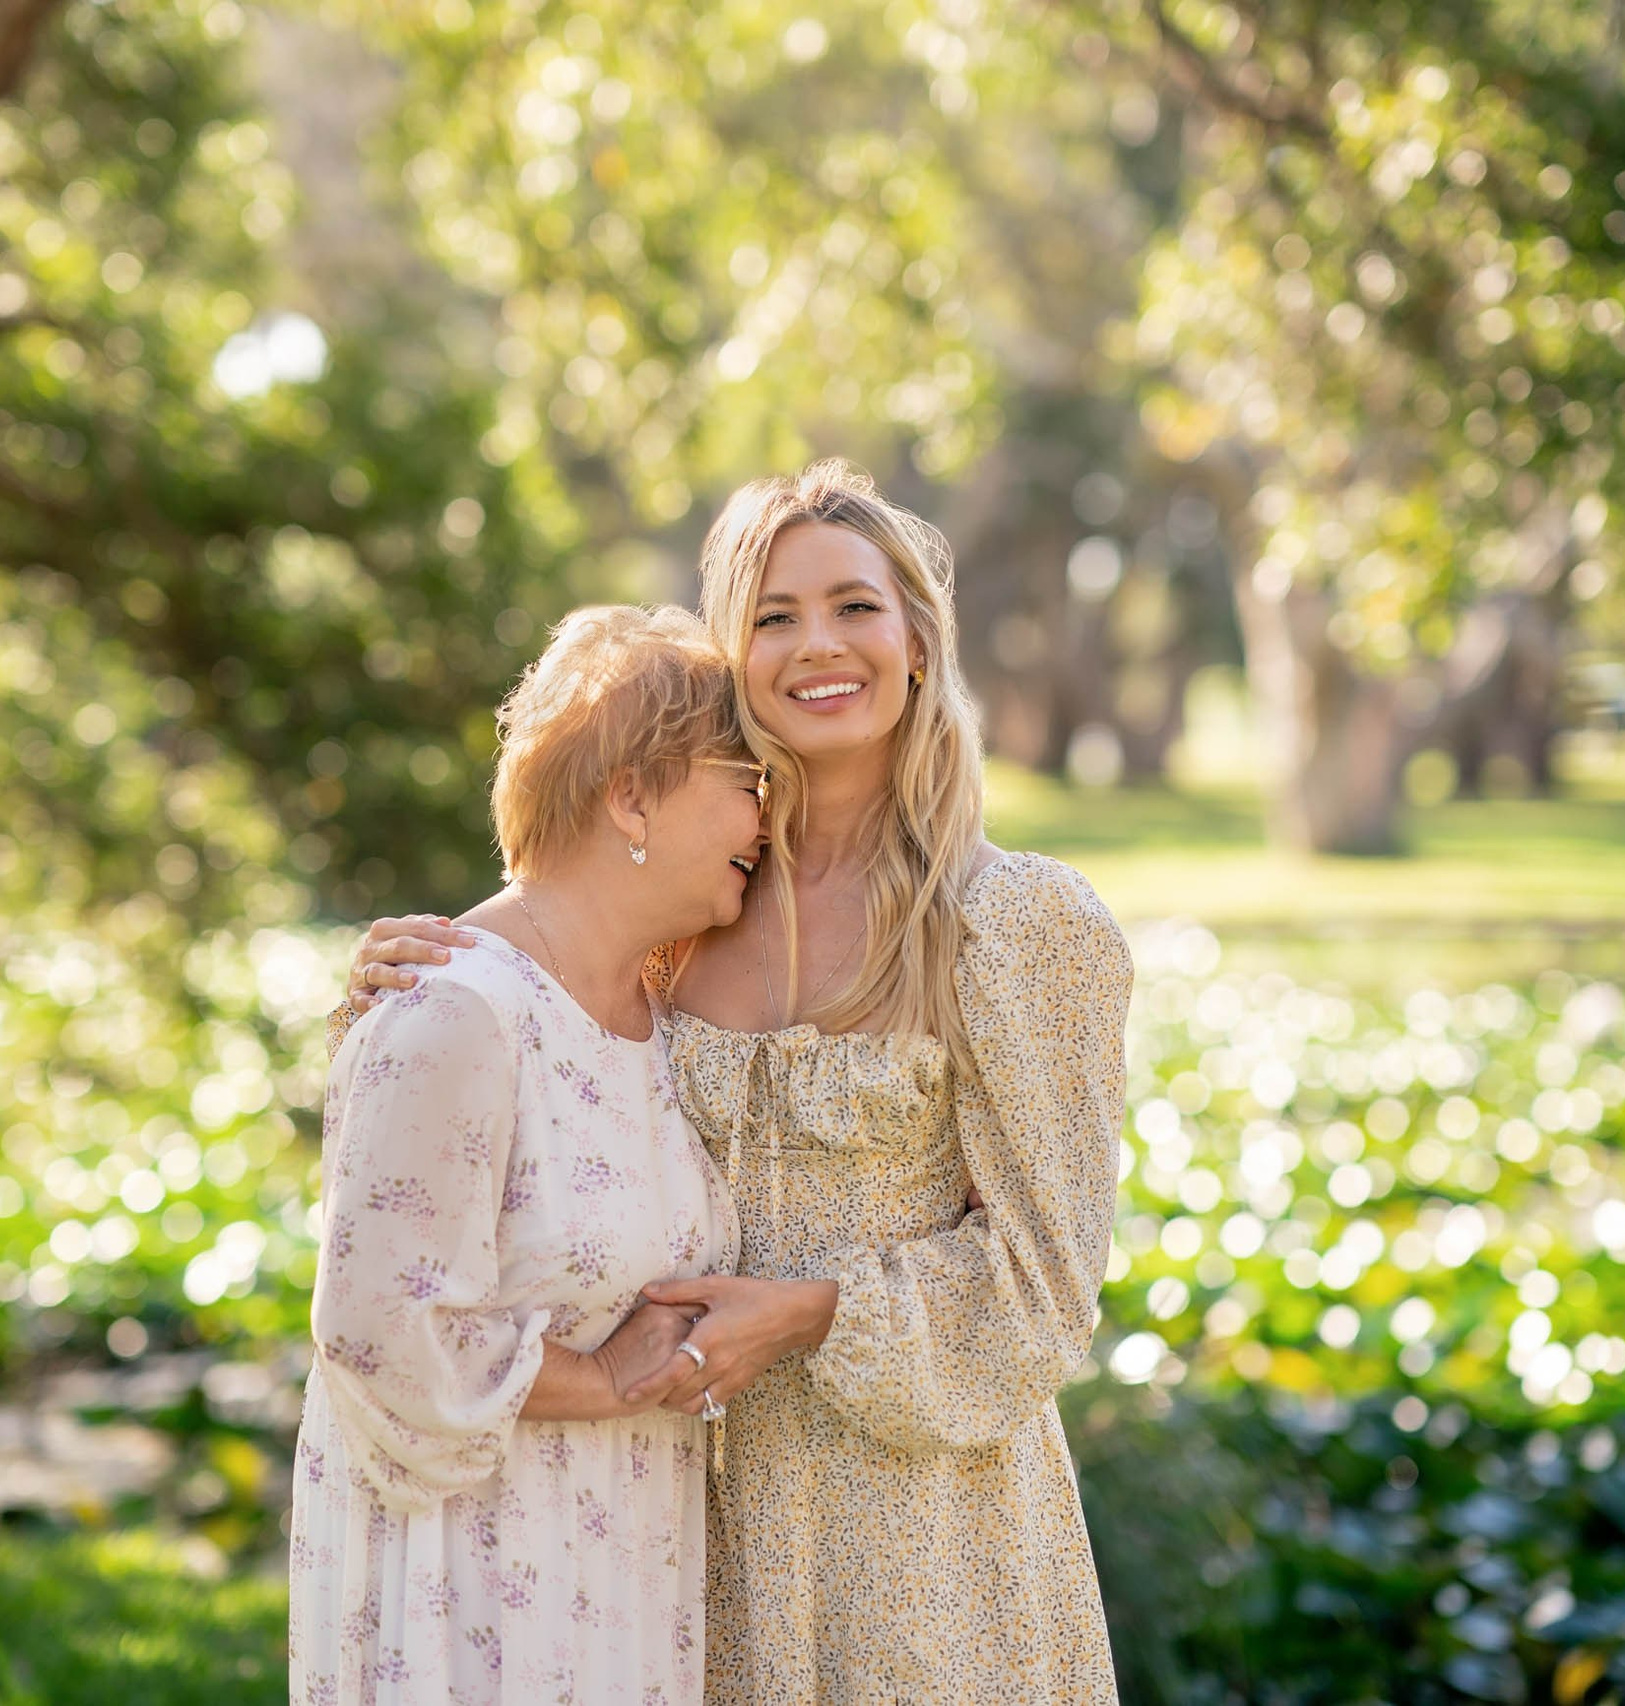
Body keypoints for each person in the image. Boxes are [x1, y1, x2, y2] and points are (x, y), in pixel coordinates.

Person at [340, 463, 1131, 1705]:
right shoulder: (686, 909)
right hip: (667, 1513)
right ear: (734, 652)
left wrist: (811, 1309)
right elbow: (519, 1044)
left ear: (917, 639)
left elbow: (1047, 1280)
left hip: (922, 1526)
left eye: (855, 606)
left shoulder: (1015, 922)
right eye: (773, 615)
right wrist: (419, 968)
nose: (818, 643)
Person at [291, 604, 765, 1705]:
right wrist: (601, 1378)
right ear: (631, 792)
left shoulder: (660, 1018)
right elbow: (380, 1324)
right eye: (744, 780)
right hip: (475, 1590)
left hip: (625, 1565)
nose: (766, 817)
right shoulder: (455, 1008)